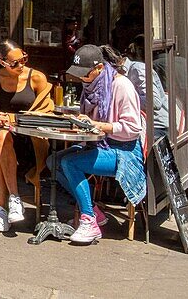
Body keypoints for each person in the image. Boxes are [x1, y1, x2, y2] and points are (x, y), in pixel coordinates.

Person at [56, 44, 145, 245]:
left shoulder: (121, 86)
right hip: (99, 145)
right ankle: (95, 211)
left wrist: (98, 125)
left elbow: (133, 128)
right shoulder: (92, 87)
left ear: (99, 68)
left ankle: (89, 222)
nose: (81, 78)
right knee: (54, 161)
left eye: (84, 73)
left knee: (71, 164)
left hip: (124, 152)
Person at [0, 39, 54, 232]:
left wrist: (11, 118)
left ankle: (2, 210)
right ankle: (14, 198)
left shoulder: (36, 78)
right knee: (1, 136)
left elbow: (46, 111)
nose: (21, 65)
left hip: (28, 137)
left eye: (24, 59)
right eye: (15, 63)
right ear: (2, 62)